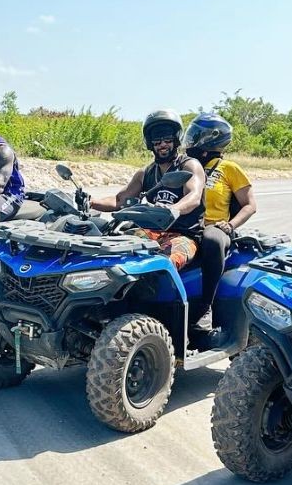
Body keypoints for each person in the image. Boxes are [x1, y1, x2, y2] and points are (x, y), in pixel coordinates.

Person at [91, 109, 205, 271]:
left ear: (176, 139)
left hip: (184, 235)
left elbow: (193, 197)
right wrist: (90, 201)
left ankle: (170, 296)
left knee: (163, 264)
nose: (162, 144)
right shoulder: (146, 173)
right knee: (109, 254)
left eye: (167, 139)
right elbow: (119, 200)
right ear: (150, 144)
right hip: (151, 232)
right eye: (157, 141)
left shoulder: (189, 165)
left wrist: (173, 209)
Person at [185, 112, 256, 328]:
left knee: (212, 240)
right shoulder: (185, 165)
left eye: (196, 134)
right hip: (184, 226)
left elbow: (250, 205)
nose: (190, 139)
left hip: (214, 227)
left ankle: (206, 306)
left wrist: (230, 225)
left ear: (210, 138)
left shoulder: (229, 169)